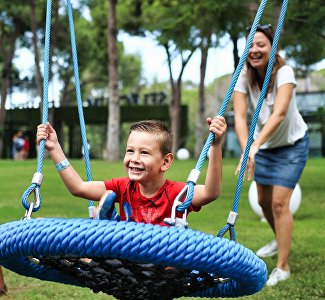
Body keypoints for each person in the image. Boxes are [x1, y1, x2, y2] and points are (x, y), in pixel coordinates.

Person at [36, 118, 227, 226]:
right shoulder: (122, 187)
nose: (134, 158)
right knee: (86, 252)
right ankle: (108, 224)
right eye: (130, 151)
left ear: (166, 161)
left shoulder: (176, 193)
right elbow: (78, 188)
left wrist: (216, 146)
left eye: (144, 153)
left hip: (162, 265)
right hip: (127, 262)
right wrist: (55, 149)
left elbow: (211, 193)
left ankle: (109, 223)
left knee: (177, 257)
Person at [233, 24, 309, 286]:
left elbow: (279, 113)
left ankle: (283, 266)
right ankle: (280, 239)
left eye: (261, 45)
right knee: (265, 204)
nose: (255, 50)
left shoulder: (285, 71)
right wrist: (247, 151)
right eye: (251, 45)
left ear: (272, 48)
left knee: (279, 204)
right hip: (263, 147)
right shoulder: (244, 75)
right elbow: (240, 118)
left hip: (291, 145)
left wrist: (255, 146)